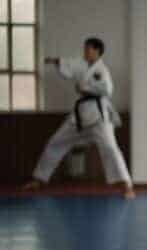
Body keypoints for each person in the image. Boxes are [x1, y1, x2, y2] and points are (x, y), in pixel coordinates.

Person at [24, 37, 134, 198]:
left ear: (97, 51)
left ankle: (127, 186)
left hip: (98, 115)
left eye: (88, 49)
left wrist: (84, 88)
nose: (85, 52)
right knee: (56, 142)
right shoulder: (81, 64)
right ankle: (39, 179)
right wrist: (54, 61)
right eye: (84, 49)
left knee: (110, 148)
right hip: (79, 114)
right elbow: (68, 64)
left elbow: (107, 90)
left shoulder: (101, 71)